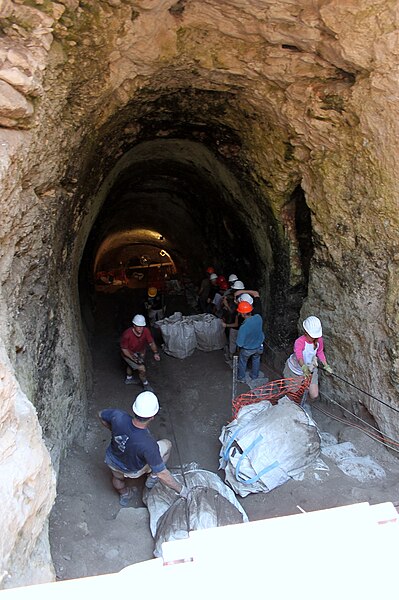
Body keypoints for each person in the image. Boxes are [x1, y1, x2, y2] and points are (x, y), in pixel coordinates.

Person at [99, 391, 187, 506]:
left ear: (134, 409)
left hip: (112, 460)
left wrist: (113, 430)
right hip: (133, 470)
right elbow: (162, 473)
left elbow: (101, 414)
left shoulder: (118, 416)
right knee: (167, 444)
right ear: (152, 417)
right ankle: (152, 478)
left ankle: (125, 494)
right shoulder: (148, 444)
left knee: (117, 479)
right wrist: (182, 490)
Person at [283, 315, 333, 402]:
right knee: (292, 394)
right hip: (295, 370)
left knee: (314, 394)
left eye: (315, 336)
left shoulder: (319, 340)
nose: (313, 338)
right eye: (312, 336)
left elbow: (320, 352)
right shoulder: (299, 342)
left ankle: (302, 402)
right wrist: (303, 367)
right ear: (306, 332)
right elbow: (299, 356)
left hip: (311, 369)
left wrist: (325, 364)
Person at [120, 314, 161, 389]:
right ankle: (146, 385)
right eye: (138, 326)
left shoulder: (146, 331)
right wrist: (134, 359)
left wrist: (155, 353)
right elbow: (124, 349)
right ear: (134, 325)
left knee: (131, 365)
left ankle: (129, 379)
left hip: (140, 350)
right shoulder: (127, 335)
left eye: (142, 326)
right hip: (128, 353)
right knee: (142, 368)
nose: (140, 328)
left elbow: (151, 343)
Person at [236, 300, 265, 382]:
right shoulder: (259, 318)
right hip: (259, 346)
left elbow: (239, 343)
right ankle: (254, 375)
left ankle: (241, 377)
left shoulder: (243, 327)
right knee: (256, 360)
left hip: (248, 349)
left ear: (242, 314)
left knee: (242, 361)